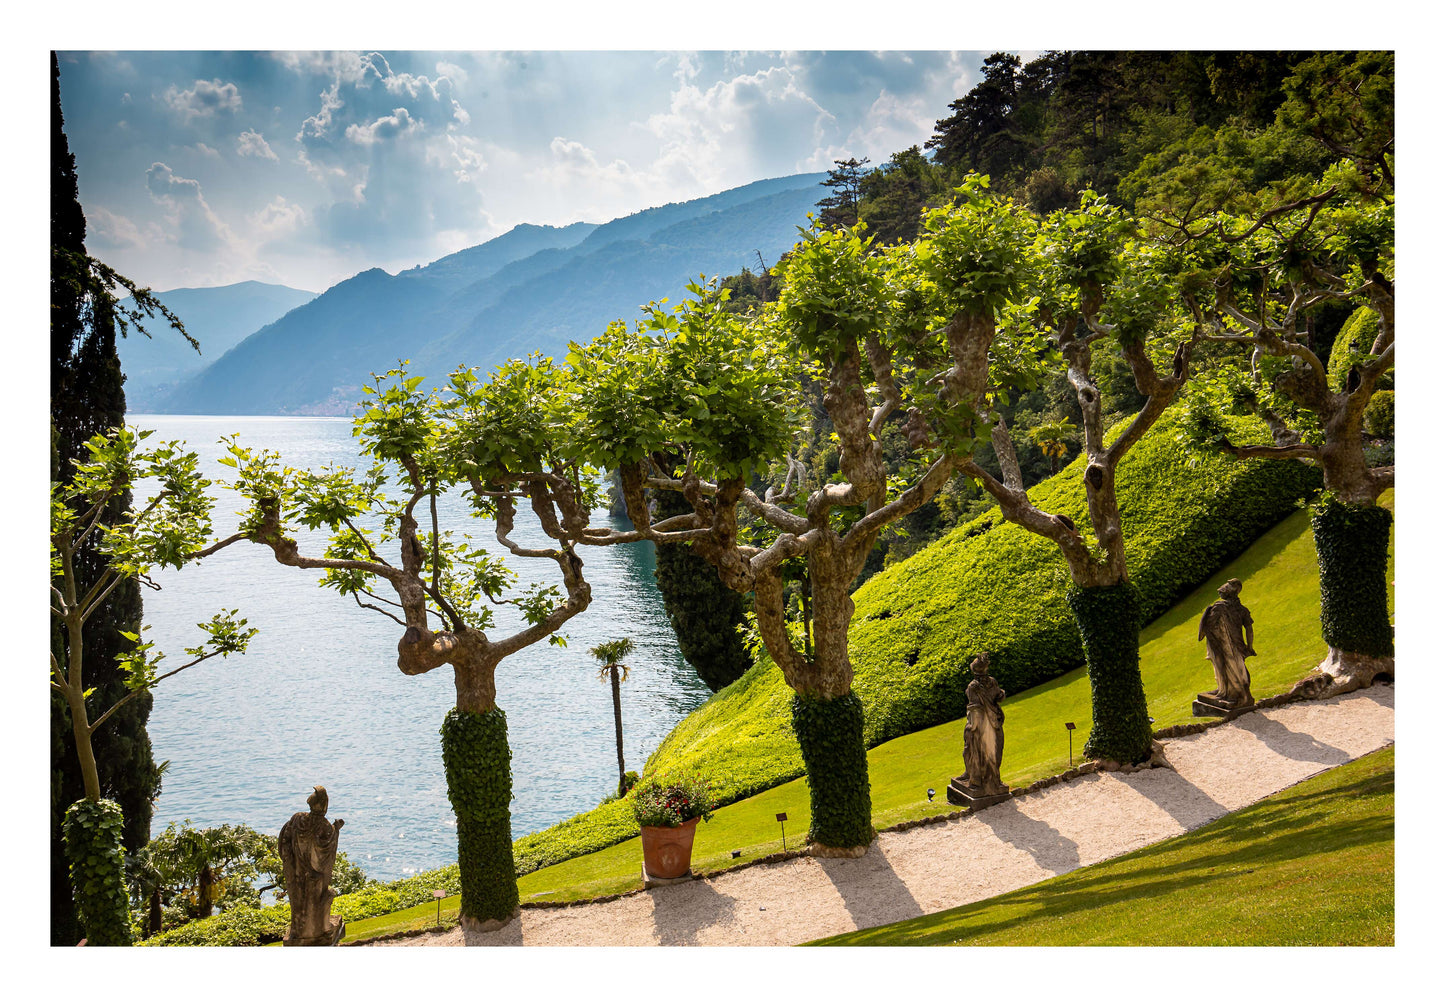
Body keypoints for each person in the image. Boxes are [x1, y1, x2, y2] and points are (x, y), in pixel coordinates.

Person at [279, 786, 346, 945]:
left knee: (298, 903)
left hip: (297, 873)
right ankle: (319, 929)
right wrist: (336, 829)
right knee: (316, 901)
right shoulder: (325, 826)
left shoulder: (297, 819)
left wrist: (290, 862)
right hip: (315, 877)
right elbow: (327, 849)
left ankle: (299, 930)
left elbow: (284, 841)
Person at [1197, 577, 1256, 708]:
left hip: (1225, 645)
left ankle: (1231, 693)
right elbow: (1249, 629)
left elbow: (1209, 626)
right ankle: (1224, 689)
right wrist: (1249, 646)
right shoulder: (1242, 609)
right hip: (1238, 645)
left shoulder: (1219, 607)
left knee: (1227, 668)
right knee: (1237, 668)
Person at [962, 652, 1008, 796]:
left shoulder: (973, 686)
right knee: (993, 751)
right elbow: (999, 696)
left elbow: (974, 707)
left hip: (981, 723)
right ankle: (992, 780)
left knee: (976, 751)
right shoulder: (992, 681)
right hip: (994, 721)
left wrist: (973, 726)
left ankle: (978, 781)